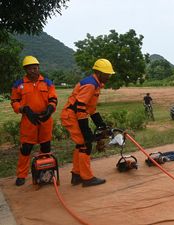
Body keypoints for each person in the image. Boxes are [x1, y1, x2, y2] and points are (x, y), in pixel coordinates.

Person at [61, 58, 114, 187]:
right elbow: (80, 106)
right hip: (72, 116)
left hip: (74, 115)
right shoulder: (91, 84)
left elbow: (90, 109)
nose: (109, 77)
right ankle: (87, 178)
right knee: (85, 144)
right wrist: (86, 130)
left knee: (81, 145)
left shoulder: (95, 84)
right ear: (99, 73)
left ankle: (77, 175)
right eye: (107, 74)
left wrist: (101, 124)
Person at [11, 56, 58, 186]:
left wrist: (50, 109)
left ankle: (45, 172)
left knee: (45, 147)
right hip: (28, 120)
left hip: (45, 119)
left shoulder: (47, 82)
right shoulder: (18, 84)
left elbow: (53, 99)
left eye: (36, 67)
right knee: (26, 148)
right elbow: (14, 101)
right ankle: (21, 175)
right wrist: (23, 109)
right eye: (31, 68)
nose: (34, 70)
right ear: (25, 69)